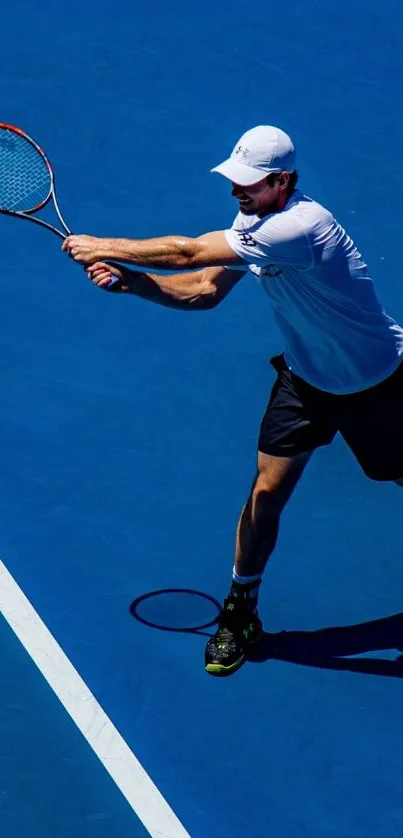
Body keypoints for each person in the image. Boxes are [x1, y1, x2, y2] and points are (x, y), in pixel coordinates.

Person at [63, 125, 403, 677]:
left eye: (248, 183)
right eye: (233, 180)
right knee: (266, 492)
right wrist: (135, 283)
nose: (235, 192)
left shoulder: (301, 226)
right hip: (306, 382)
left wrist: (104, 245)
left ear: (283, 180)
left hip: (378, 382)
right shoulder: (254, 224)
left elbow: (189, 250)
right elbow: (203, 288)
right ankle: (240, 609)